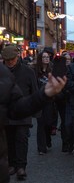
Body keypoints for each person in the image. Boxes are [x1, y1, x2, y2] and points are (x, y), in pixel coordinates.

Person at [0, 59, 66, 183]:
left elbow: (16, 107)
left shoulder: (2, 73)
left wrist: (45, 95)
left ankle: (20, 166)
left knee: (20, 139)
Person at [2, 45, 38, 180]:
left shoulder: (28, 72)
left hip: (23, 110)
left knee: (21, 138)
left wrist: (35, 109)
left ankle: (21, 166)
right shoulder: (2, 71)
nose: (10, 62)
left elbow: (34, 91)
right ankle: (12, 164)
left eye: (12, 59)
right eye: (7, 60)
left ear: (17, 57)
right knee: (9, 139)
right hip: (6, 112)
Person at [34, 51, 55, 155]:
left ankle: (48, 138)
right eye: (44, 57)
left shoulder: (52, 70)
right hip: (39, 100)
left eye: (48, 57)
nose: (46, 58)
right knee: (40, 123)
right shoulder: (35, 71)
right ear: (40, 58)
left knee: (48, 122)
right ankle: (41, 148)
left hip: (49, 100)